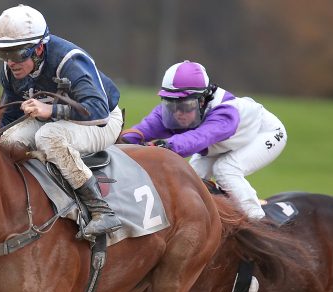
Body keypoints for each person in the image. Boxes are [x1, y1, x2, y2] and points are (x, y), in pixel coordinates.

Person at [0, 4, 123, 237]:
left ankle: (102, 211)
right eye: (4, 53)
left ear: (38, 49)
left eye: (17, 54)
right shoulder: (10, 72)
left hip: (102, 121)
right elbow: (10, 117)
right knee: (8, 142)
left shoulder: (70, 61)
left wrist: (51, 111)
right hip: (54, 121)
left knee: (48, 137)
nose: (10, 62)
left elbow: (98, 112)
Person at [121, 61, 287, 220]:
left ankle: (258, 222)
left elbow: (196, 139)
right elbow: (143, 129)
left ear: (202, 100)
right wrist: (122, 140)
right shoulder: (174, 111)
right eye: (171, 104)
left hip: (265, 133)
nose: (177, 112)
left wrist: (162, 146)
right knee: (190, 177)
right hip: (223, 144)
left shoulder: (225, 113)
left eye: (184, 105)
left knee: (226, 170)